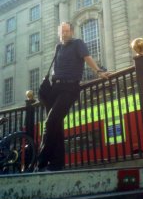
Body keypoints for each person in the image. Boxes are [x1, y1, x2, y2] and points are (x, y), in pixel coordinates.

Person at [36, 22, 110, 171]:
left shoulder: (78, 43)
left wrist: (98, 71)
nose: (64, 34)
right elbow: (56, 67)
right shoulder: (58, 47)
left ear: (72, 32)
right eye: (62, 31)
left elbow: (87, 57)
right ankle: (57, 164)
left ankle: (41, 163)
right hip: (54, 88)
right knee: (56, 126)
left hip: (69, 88)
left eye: (67, 31)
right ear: (59, 33)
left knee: (50, 123)